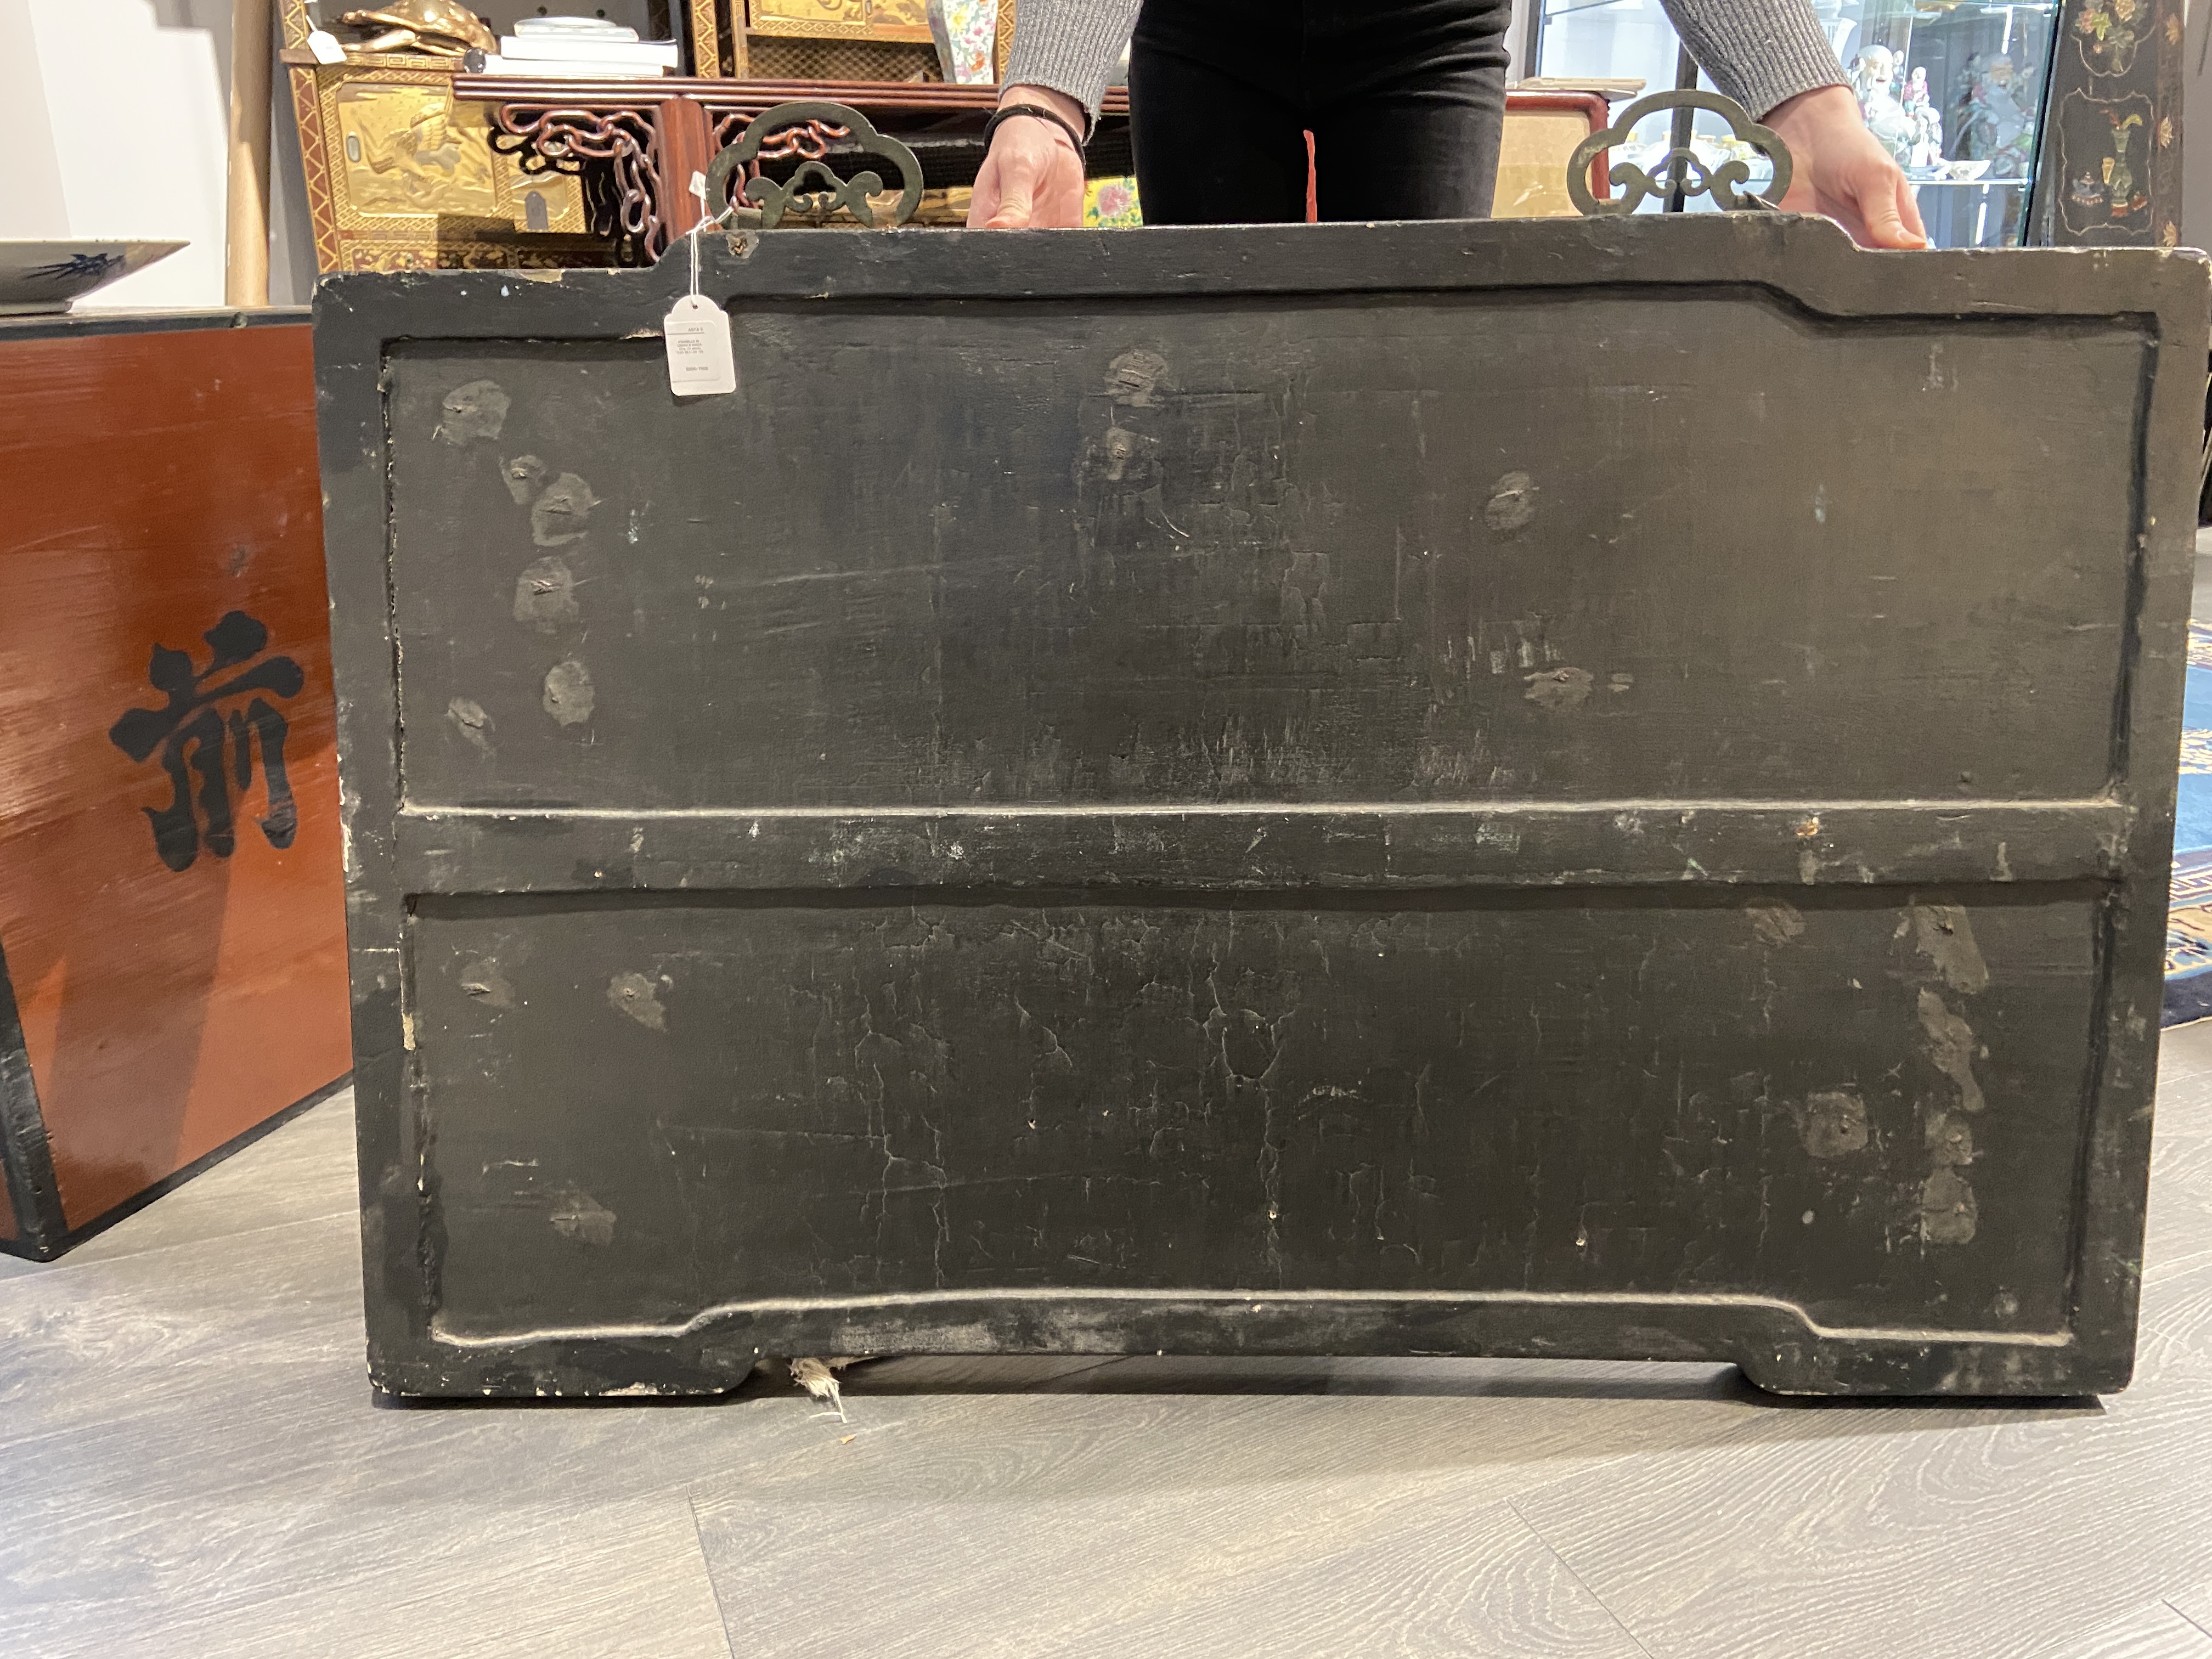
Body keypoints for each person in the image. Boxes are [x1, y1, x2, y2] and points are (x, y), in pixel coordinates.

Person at [967, 0, 1927, 250]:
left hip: (1430, 34)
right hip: (1205, 32)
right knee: (1207, 361)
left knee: (1413, 366)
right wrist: (1045, 99)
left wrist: (1806, 105)